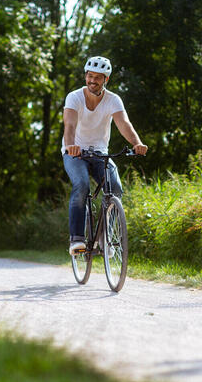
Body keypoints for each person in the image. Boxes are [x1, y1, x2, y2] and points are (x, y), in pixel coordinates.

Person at [62, 56, 147, 255]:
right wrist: (71, 145)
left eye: (97, 77)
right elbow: (70, 125)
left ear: (105, 80)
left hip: (100, 152)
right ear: (85, 76)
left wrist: (137, 143)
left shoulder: (113, 100)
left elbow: (124, 124)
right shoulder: (74, 97)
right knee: (81, 184)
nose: (92, 81)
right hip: (75, 152)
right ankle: (76, 239)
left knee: (115, 187)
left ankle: (105, 236)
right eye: (89, 76)